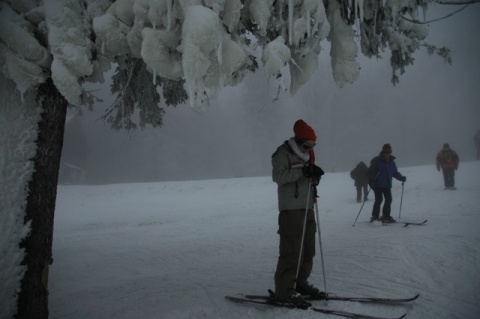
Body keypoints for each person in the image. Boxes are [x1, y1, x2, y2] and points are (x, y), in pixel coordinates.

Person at [270, 119, 325, 306]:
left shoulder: (309, 155)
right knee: (292, 251)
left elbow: (307, 178)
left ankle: (299, 283)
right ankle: (284, 292)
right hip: (291, 209)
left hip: (308, 206)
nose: (310, 149)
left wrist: (314, 176)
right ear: (298, 140)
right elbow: (278, 176)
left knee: (308, 249)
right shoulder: (283, 153)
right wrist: (302, 172)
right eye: (307, 145)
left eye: (313, 145)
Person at [367, 144, 406, 223]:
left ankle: (386, 216)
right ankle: (375, 216)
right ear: (383, 152)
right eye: (386, 152)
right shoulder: (376, 160)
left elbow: (394, 172)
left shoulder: (392, 162)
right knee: (379, 200)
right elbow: (370, 172)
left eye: (389, 152)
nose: (388, 154)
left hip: (387, 184)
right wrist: (371, 180)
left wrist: (401, 177)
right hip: (377, 184)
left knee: (389, 199)